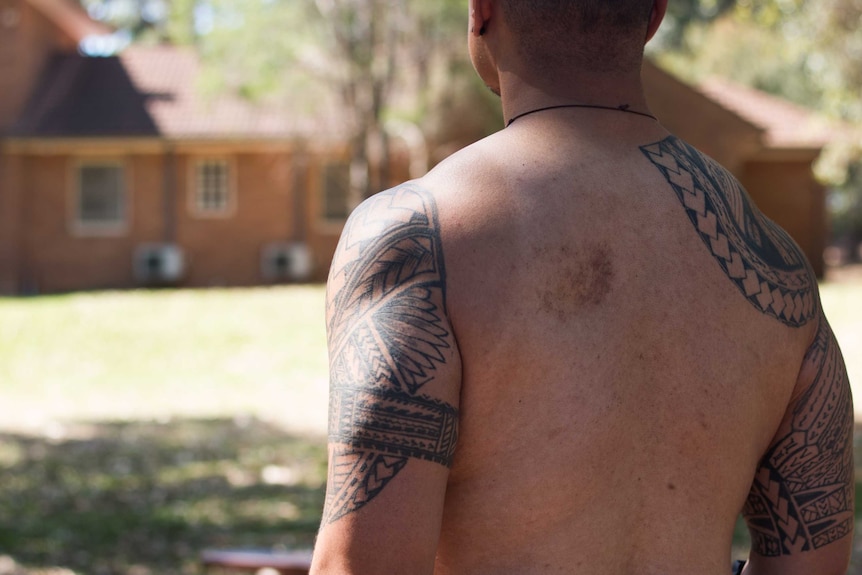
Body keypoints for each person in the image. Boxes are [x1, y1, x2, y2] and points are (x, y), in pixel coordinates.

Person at [309, 1, 855, 573]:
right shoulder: (779, 273)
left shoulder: (417, 237)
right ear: (654, 17)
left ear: (481, 10)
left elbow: (362, 564)